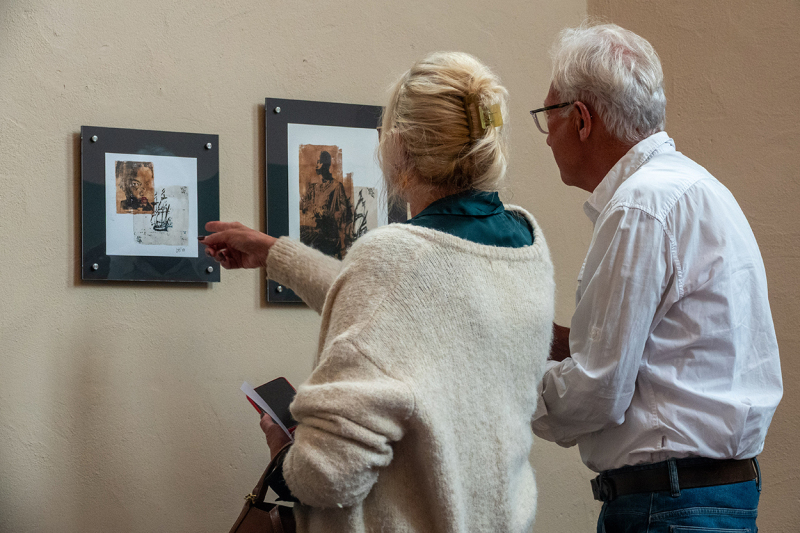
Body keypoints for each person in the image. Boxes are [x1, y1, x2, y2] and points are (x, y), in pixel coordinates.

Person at [201, 52, 555, 533]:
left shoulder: (395, 257)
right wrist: (273, 253)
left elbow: (328, 476)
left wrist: (285, 456)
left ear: (400, 146)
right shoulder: (524, 244)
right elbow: (403, 312)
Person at [528, 23, 783, 533]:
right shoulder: (695, 187)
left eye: (546, 116)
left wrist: (495, 384)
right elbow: (662, 353)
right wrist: (542, 339)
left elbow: (598, 390)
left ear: (581, 120)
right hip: (703, 498)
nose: (546, 135)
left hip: (669, 509)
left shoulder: (641, 208)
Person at [299, 150, 353, 258]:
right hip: (314, 234)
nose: (316, 165)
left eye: (319, 162)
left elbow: (344, 213)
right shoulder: (313, 188)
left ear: (325, 164)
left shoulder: (337, 187)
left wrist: (327, 214)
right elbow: (303, 208)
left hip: (329, 237)